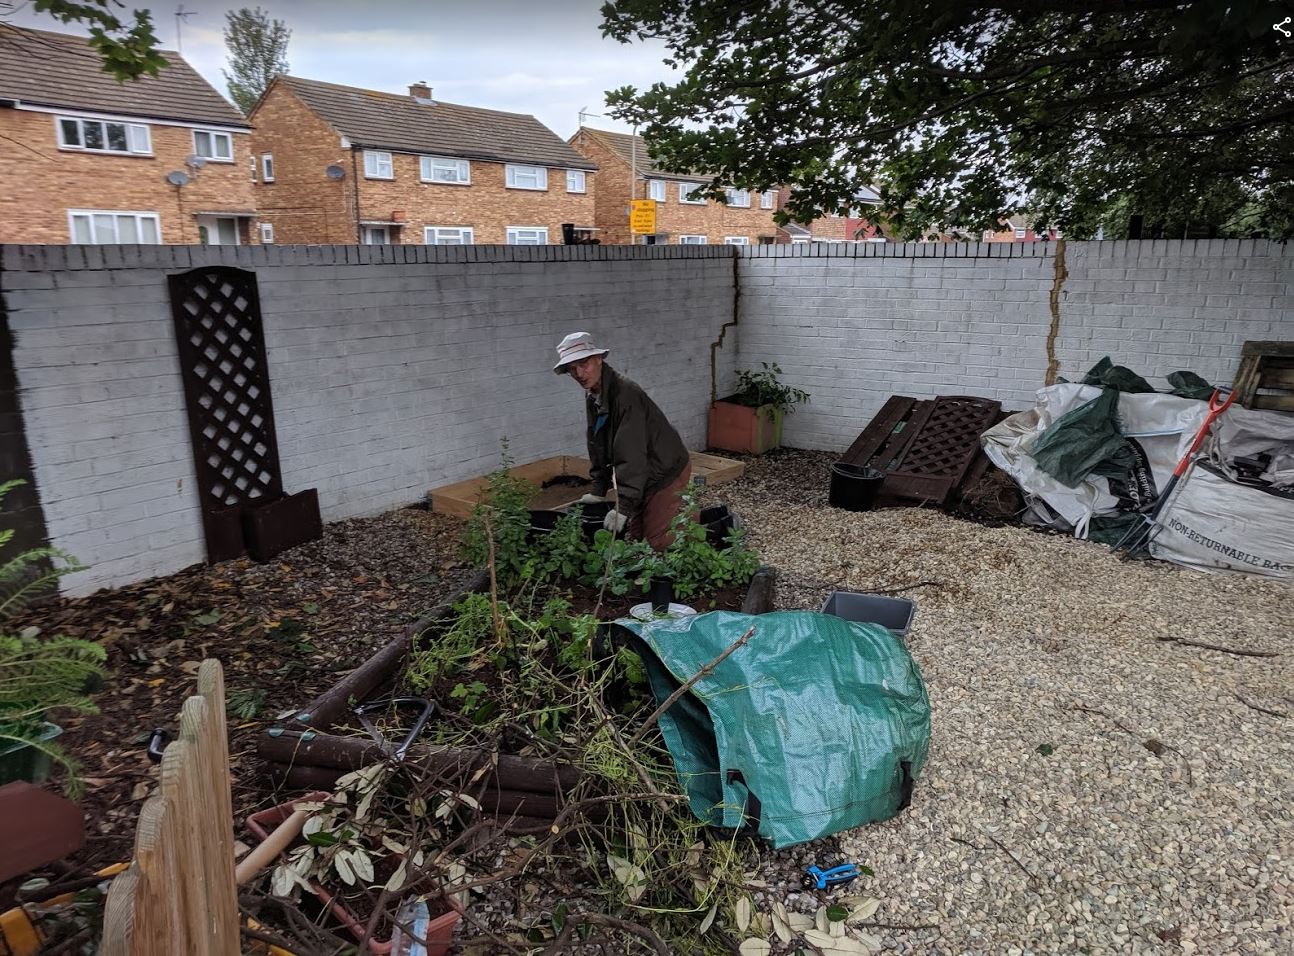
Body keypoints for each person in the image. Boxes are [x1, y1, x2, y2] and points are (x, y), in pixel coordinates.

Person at [553, 331, 692, 550]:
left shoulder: (625, 394)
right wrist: (599, 489)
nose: (579, 373)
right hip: (645, 472)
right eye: (572, 369)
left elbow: (630, 452)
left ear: (599, 359)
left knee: (657, 541)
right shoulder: (595, 394)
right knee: (637, 536)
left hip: (665, 469)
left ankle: (713, 531)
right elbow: (597, 442)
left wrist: (624, 506)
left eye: (584, 364)